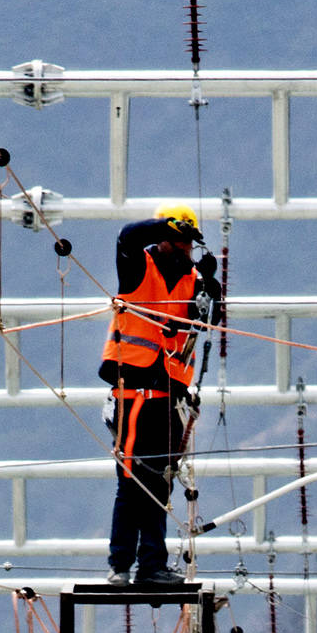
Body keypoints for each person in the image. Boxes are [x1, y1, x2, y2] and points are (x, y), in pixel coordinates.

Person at [97, 200, 219, 588]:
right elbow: (128, 237)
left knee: (160, 481)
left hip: (168, 396)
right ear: (162, 238)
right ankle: (120, 564)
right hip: (133, 390)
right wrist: (162, 225)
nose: (184, 248)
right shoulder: (138, 266)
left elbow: (208, 321)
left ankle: (151, 564)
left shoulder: (194, 281)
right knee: (133, 479)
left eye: (188, 242)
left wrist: (212, 288)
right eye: (177, 240)